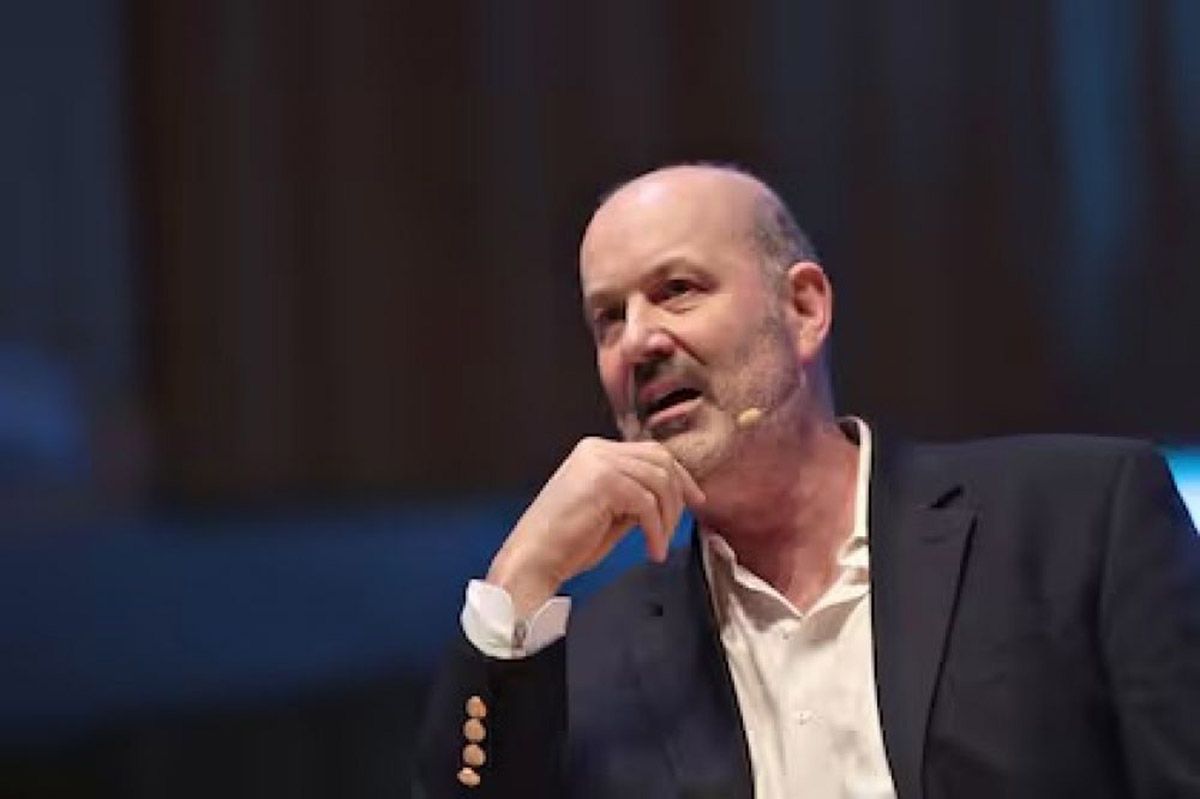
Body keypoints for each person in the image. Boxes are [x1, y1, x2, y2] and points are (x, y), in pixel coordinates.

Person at [414, 164, 1200, 798]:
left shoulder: (1078, 520)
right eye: (607, 319)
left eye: (677, 289)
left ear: (804, 308)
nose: (639, 341)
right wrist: (519, 577)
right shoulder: (595, 660)